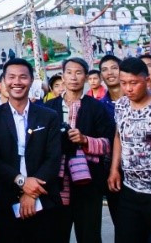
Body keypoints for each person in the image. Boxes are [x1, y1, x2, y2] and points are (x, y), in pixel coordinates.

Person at [0, 58, 61, 240]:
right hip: (5, 200)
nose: (17, 82)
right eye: (11, 77)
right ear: (3, 81)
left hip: (43, 199)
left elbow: (53, 158)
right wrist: (21, 182)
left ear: (32, 81)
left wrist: (32, 193)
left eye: (23, 77)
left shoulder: (49, 116)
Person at [107, 58, 151, 243]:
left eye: (134, 83)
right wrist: (114, 169)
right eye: (123, 83)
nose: (128, 88)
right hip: (130, 188)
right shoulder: (121, 105)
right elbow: (118, 136)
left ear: (147, 80)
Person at [51, 57, 114, 243]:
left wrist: (85, 140)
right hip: (57, 183)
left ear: (86, 77)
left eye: (78, 73)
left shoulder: (96, 107)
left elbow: (108, 144)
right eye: (69, 72)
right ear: (62, 76)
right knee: (56, 234)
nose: (73, 77)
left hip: (89, 182)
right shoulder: (49, 108)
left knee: (89, 235)